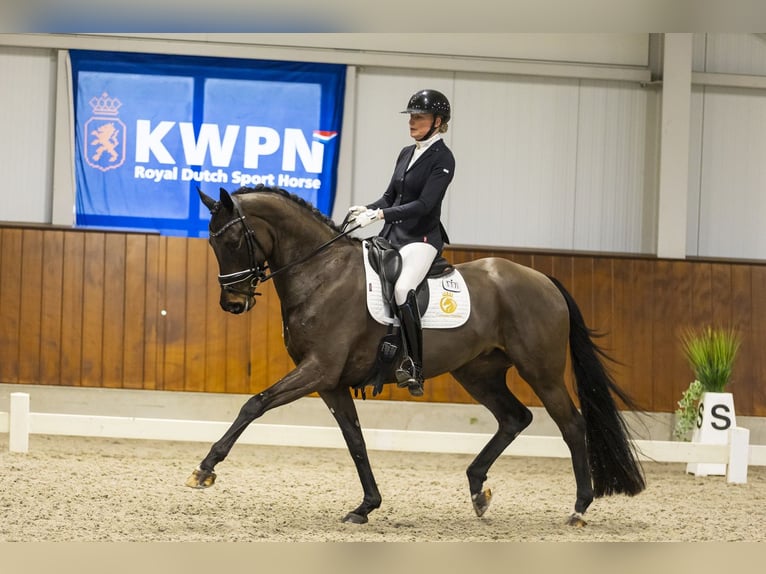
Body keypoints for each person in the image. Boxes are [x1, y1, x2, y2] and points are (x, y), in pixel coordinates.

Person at [350, 88, 455, 397]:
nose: (412, 122)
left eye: (419, 117)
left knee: (402, 288)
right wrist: (367, 209)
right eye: (411, 116)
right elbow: (390, 196)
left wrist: (381, 215)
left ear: (437, 121)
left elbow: (424, 205)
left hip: (421, 238)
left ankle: (413, 364)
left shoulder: (443, 159)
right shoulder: (406, 153)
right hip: (393, 236)